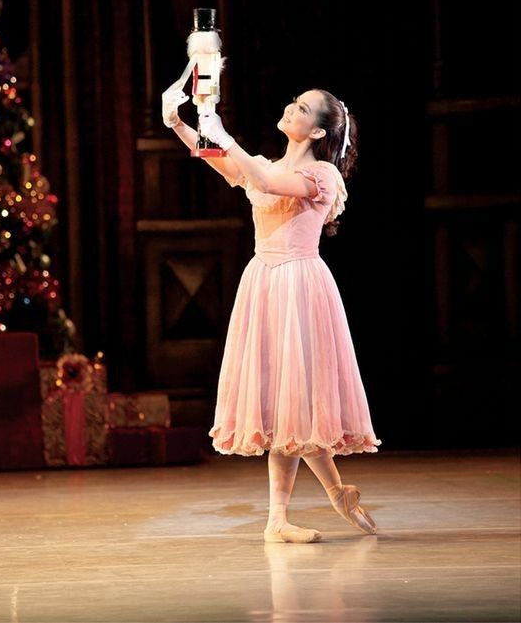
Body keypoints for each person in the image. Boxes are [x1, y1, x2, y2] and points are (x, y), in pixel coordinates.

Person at [162, 80, 382, 543]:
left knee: (296, 397)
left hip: (299, 284)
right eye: (294, 100)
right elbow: (224, 163)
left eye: (302, 108)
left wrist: (220, 130)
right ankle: (313, 503)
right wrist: (180, 122)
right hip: (264, 281)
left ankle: (281, 518)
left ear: (318, 132)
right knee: (288, 400)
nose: (290, 107)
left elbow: (262, 181)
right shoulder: (266, 164)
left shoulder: (323, 175)